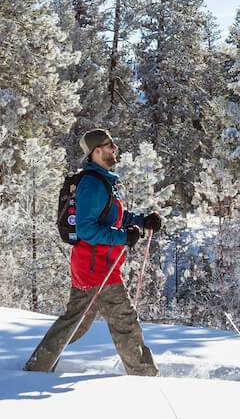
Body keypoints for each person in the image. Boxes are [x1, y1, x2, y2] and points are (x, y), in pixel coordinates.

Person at [24, 128, 163, 375]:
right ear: (96, 151)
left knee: (75, 323)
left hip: (94, 266)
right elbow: (86, 229)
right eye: (110, 145)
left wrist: (142, 222)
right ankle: (144, 377)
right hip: (97, 267)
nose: (115, 148)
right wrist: (123, 237)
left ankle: (37, 368)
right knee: (125, 323)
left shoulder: (104, 181)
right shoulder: (92, 183)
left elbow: (114, 215)